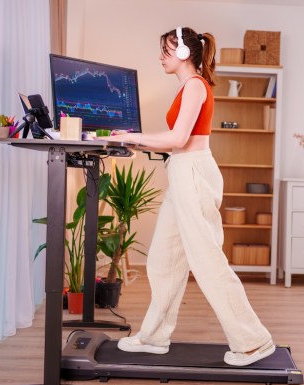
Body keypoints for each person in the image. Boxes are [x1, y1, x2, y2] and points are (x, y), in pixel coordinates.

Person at [100, 26, 275, 366]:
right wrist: (133, 138)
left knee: (208, 263)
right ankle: (154, 337)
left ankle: (253, 342)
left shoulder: (195, 86)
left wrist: (131, 137)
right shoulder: (186, 88)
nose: (160, 58)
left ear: (183, 53)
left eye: (165, 51)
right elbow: (177, 140)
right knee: (163, 260)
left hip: (193, 175)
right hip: (182, 175)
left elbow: (178, 138)